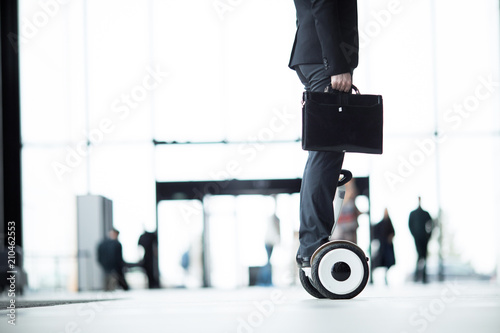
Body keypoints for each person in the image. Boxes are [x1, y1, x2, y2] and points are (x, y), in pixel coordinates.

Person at [289, 0, 359, 268]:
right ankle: (313, 243)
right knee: (326, 152)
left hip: (315, 55)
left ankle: (311, 243)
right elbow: (322, 7)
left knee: (324, 152)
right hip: (322, 58)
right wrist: (336, 64)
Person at [409, 197, 433, 283]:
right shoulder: (413, 214)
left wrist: (429, 235)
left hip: (424, 238)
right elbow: (410, 225)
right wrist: (414, 234)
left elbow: (431, 223)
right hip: (417, 237)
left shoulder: (425, 213)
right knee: (419, 256)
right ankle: (417, 276)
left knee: (423, 257)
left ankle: (423, 276)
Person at [371, 208, 396, 284]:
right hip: (382, 246)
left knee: (388, 261)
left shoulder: (389, 222)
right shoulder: (381, 223)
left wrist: (390, 237)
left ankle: (385, 275)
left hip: (388, 246)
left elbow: (393, 232)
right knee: (379, 261)